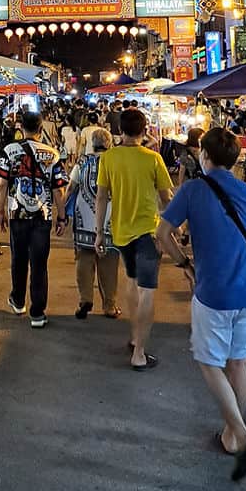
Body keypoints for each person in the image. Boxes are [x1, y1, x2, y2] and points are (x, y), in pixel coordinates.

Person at [157, 127, 246, 481]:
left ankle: (241, 435)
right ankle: (231, 434)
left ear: (204, 156)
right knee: (239, 359)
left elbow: (162, 233)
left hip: (213, 292)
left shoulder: (193, 189)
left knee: (209, 361)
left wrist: (184, 263)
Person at [95, 108, 174, 370]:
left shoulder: (109, 158)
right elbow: (166, 198)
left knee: (131, 280)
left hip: (121, 231)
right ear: (144, 130)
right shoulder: (152, 159)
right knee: (148, 290)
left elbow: (102, 197)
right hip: (147, 233)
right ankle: (139, 353)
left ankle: (133, 335)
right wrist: (177, 228)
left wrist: (98, 233)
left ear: (119, 130)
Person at [0, 111, 68, 328]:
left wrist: (0, 211)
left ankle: (18, 301)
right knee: (39, 263)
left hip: (17, 214)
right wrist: (62, 217)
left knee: (18, 259)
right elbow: (59, 190)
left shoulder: (10, 150)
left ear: (20, 127)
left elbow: (2, 184)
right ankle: (37, 313)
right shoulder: (52, 154)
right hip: (42, 215)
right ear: (40, 128)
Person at [66, 127, 120, 319]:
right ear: (109, 143)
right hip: (109, 218)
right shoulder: (115, 161)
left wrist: (63, 211)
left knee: (84, 258)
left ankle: (85, 298)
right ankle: (109, 306)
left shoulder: (83, 161)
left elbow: (71, 187)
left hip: (85, 217)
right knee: (109, 262)